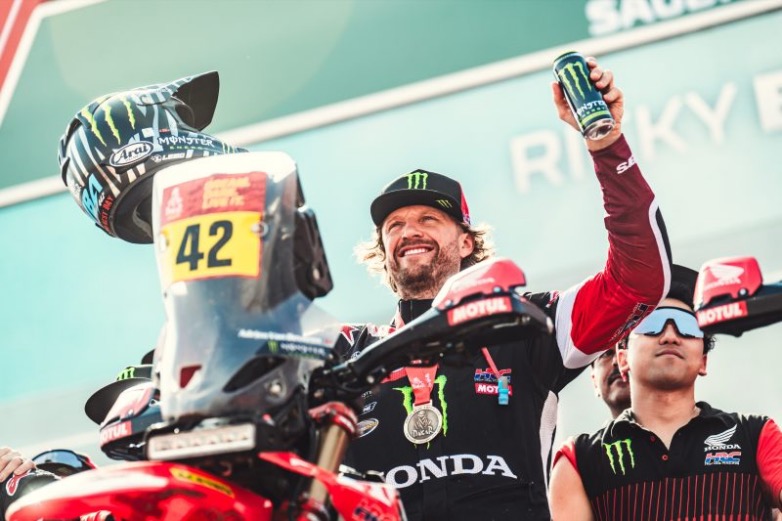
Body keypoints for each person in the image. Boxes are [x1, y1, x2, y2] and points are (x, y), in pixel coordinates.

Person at [335, 56, 672, 520]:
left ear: (466, 243)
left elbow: (638, 282)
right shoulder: (347, 352)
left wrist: (607, 144)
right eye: (394, 226)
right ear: (383, 252)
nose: (409, 231)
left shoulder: (522, 323)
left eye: (429, 219)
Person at [548, 265, 782, 520]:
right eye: (652, 324)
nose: (670, 336)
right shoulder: (579, 460)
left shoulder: (756, 435)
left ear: (703, 361)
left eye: (688, 326)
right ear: (622, 358)